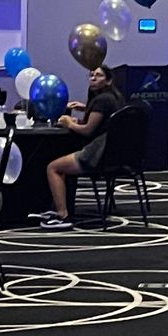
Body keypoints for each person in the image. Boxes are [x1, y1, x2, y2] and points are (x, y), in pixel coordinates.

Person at [39, 65, 138, 229]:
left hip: (97, 155)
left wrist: (69, 123)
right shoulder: (114, 97)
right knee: (63, 164)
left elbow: (87, 131)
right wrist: (86, 109)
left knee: (53, 168)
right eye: (91, 75)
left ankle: (62, 215)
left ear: (108, 80)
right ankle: (58, 207)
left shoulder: (102, 100)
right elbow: (101, 121)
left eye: (98, 76)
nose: (93, 78)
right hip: (113, 154)